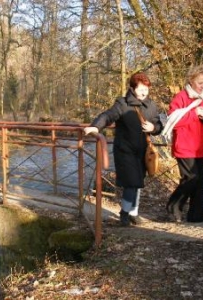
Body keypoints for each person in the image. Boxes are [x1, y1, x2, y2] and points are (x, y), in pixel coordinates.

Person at [84, 72, 163, 226]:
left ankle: (133, 213)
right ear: (133, 88)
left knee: (138, 182)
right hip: (125, 151)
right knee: (132, 183)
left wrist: (154, 127)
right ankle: (124, 214)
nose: (144, 92)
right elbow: (107, 116)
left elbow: (159, 125)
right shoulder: (122, 103)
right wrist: (94, 127)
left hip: (143, 152)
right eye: (141, 89)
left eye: (146, 89)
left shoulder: (152, 105)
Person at [165, 65, 203, 223]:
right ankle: (174, 205)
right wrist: (195, 114)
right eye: (200, 82)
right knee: (191, 179)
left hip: (201, 147)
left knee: (201, 182)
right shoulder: (181, 97)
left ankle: (196, 216)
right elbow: (174, 121)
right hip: (185, 146)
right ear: (191, 80)